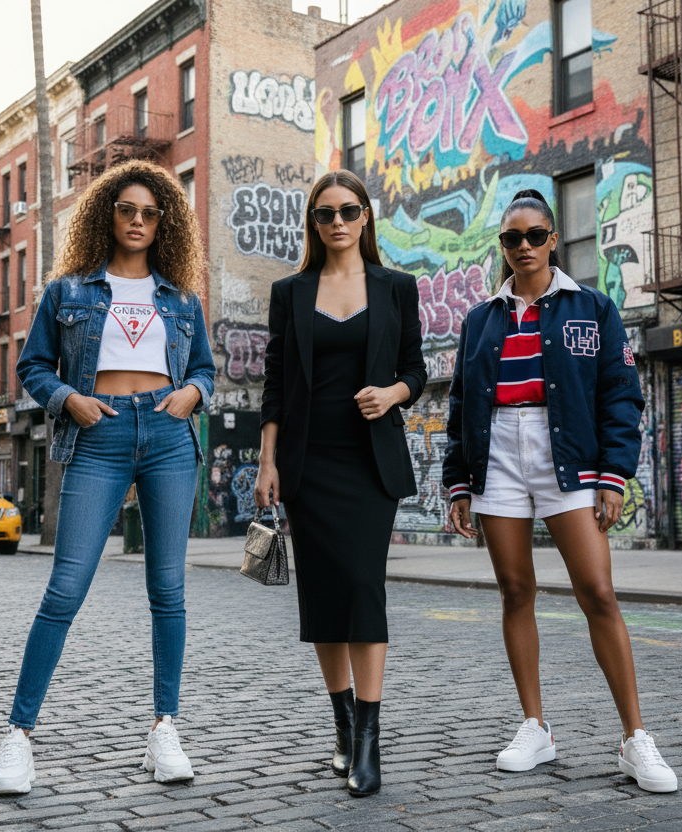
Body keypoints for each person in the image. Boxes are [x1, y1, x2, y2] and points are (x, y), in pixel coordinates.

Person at [0, 160, 215, 794]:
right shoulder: (69, 293)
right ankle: (18, 736)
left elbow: (205, 370)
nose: (138, 221)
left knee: (167, 589)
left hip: (168, 435)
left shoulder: (182, 299)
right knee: (65, 588)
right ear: (107, 216)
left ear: (162, 221)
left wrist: (191, 395)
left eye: (150, 212)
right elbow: (33, 366)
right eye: (127, 210)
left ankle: (165, 727)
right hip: (99, 434)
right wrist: (68, 400)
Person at [443, 189, 678, 793]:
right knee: (515, 589)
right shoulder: (480, 320)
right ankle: (535, 727)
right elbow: (462, 404)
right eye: (510, 238)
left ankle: (635, 738)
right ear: (503, 246)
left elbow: (620, 394)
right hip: (498, 458)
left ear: (553, 239)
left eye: (533, 235)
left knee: (598, 590)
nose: (522, 247)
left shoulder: (591, 307)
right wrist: (458, 482)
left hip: (566, 456)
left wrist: (614, 473)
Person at [255, 170, 426, 797]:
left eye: (348, 211)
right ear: (313, 222)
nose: (337, 223)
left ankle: (370, 742)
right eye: (324, 214)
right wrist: (268, 461)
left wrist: (394, 392)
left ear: (366, 217)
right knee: (324, 597)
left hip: (368, 460)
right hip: (308, 460)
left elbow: (417, 367)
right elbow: (275, 383)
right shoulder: (291, 292)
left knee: (362, 586)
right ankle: (342, 726)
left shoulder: (396, 287)